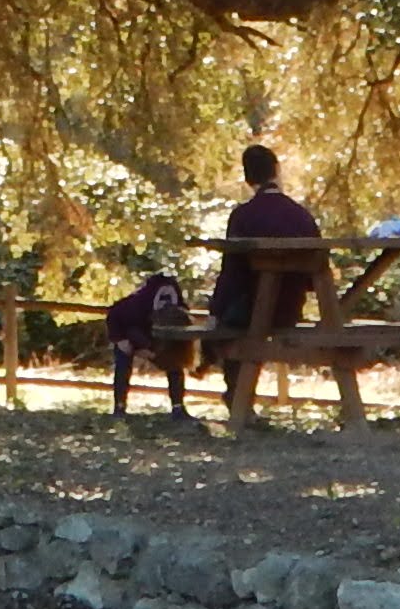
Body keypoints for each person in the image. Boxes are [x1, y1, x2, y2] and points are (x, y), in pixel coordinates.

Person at [201, 143, 324, 427]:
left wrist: (215, 311)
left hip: (253, 310)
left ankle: (236, 396)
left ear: (248, 179)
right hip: (290, 309)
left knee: (230, 325)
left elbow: (231, 273)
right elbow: (314, 274)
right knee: (240, 321)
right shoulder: (301, 216)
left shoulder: (243, 216)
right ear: (277, 171)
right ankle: (237, 398)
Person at [102, 269, 193, 418]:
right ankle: (119, 407)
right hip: (131, 335)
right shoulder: (135, 305)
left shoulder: (179, 312)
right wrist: (119, 339)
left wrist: (157, 352)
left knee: (176, 364)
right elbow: (114, 314)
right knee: (123, 359)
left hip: (160, 342)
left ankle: (178, 408)